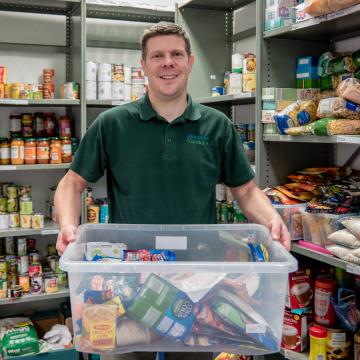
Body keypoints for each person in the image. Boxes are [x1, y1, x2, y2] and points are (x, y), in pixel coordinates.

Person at [55, 22, 290, 360]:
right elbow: (72, 182)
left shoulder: (216, 125)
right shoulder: (112, 123)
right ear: (144, 66)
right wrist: (68, 225)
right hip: (128, 274)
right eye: (158, 56)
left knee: (191, 356)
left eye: (176, 54)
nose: (168, 63)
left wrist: (273, 221)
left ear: (190, 62)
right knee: (124, 353)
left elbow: (246, 188)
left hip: (199, 278)